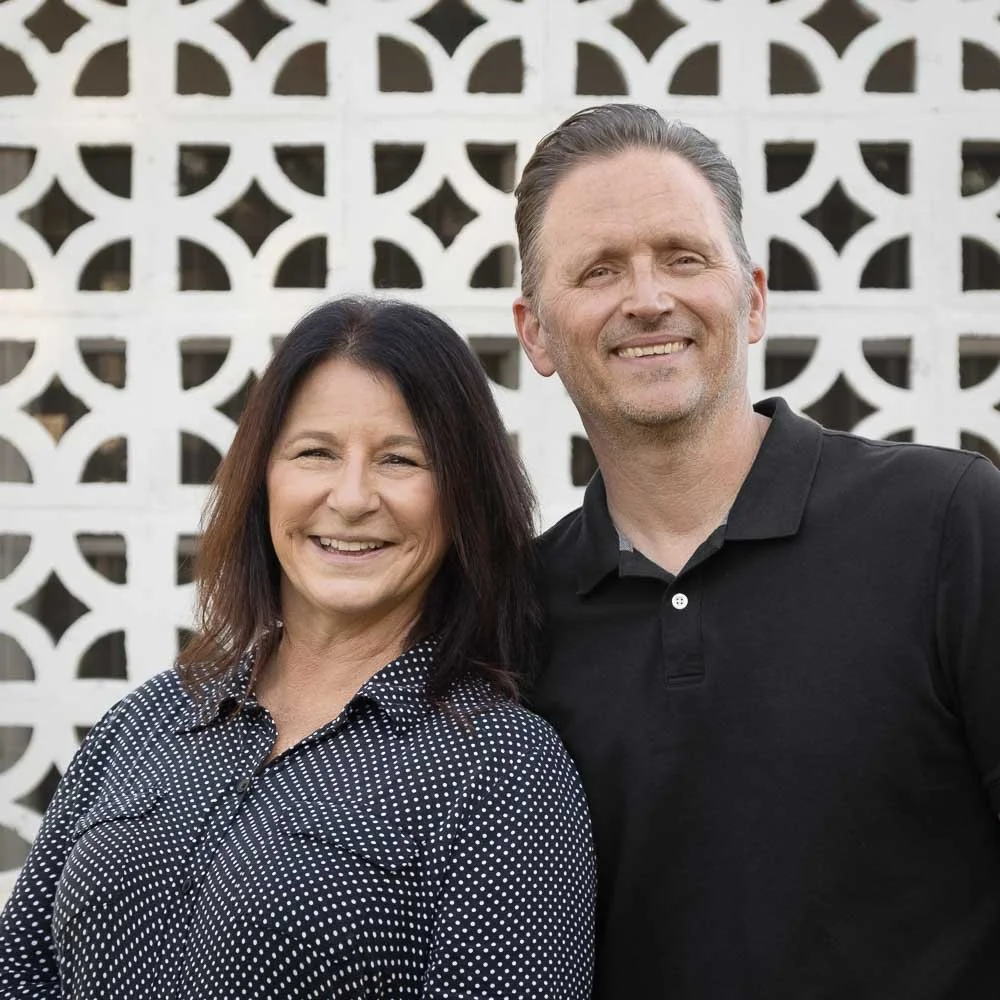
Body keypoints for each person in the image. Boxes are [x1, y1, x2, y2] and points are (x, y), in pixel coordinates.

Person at [512, 103, 1000, 999]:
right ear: (536, 332)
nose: (648, 297)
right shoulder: (511, 616)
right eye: (599, 270)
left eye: (684, 257)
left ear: (755, 297)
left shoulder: (950, 523)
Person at [0, 297, 595, 999]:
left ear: (464, 497)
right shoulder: (145, 723)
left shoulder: (501, 770)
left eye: (401, 459)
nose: (350, 498)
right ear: (263, 480)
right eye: (314, 452)